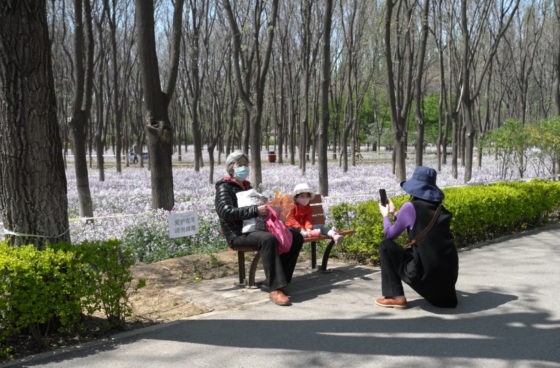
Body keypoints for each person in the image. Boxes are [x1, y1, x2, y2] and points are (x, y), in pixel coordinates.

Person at [215, 151, 304, 306]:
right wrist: (256, 210)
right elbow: (226, 212)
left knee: (296, 236)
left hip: (255, 229)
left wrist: (271, 208)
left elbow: (255, 207)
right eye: (240, 164)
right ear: (231, 169)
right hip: (237, 234)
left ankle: (282, 281)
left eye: (245, 164)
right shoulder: (224, 188)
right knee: (268, 239)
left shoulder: (247, 186)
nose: (244, 167)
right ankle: (275, 288)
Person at [375, 166, 458, 309]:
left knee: (385, 246)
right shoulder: (440, 210)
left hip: (425, 275)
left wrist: (385, 215)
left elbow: (389, 234)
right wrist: (395, 214)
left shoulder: (410, 207)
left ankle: (396, 296)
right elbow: (419, 224)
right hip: (447, 282)